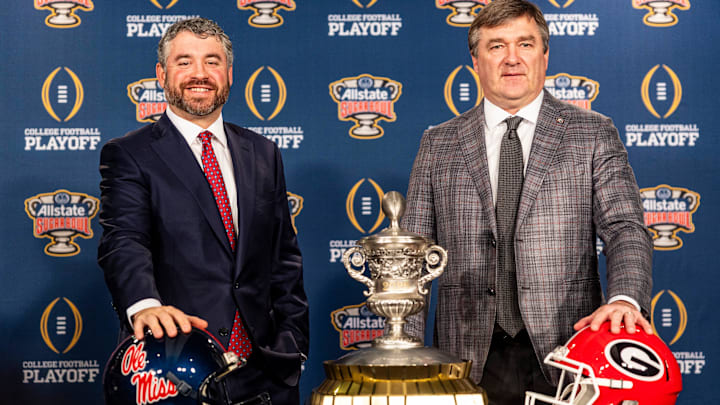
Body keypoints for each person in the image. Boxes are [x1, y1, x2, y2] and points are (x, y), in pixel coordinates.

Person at [401, 1, 653, 404]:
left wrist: (624, 297)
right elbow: (411, 258)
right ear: (476, 60)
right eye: (497, 46)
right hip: (465, 359)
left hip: (569, 354)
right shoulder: (438, 143)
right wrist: (405, 355)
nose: (512, 59)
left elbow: (625, 228)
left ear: (545, 54)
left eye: (525, 44)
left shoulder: (592, 133)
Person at [97, 17, 309, 404]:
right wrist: (145, 306)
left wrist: (293, 349)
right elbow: (124, 240)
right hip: (176, 371)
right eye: (184, 62)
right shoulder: (129, 154)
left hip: (267, 375)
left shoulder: (263, 153)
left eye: (212, 61)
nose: (200, 73)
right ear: (161, 74)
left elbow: (284, 260)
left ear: (228, 74)